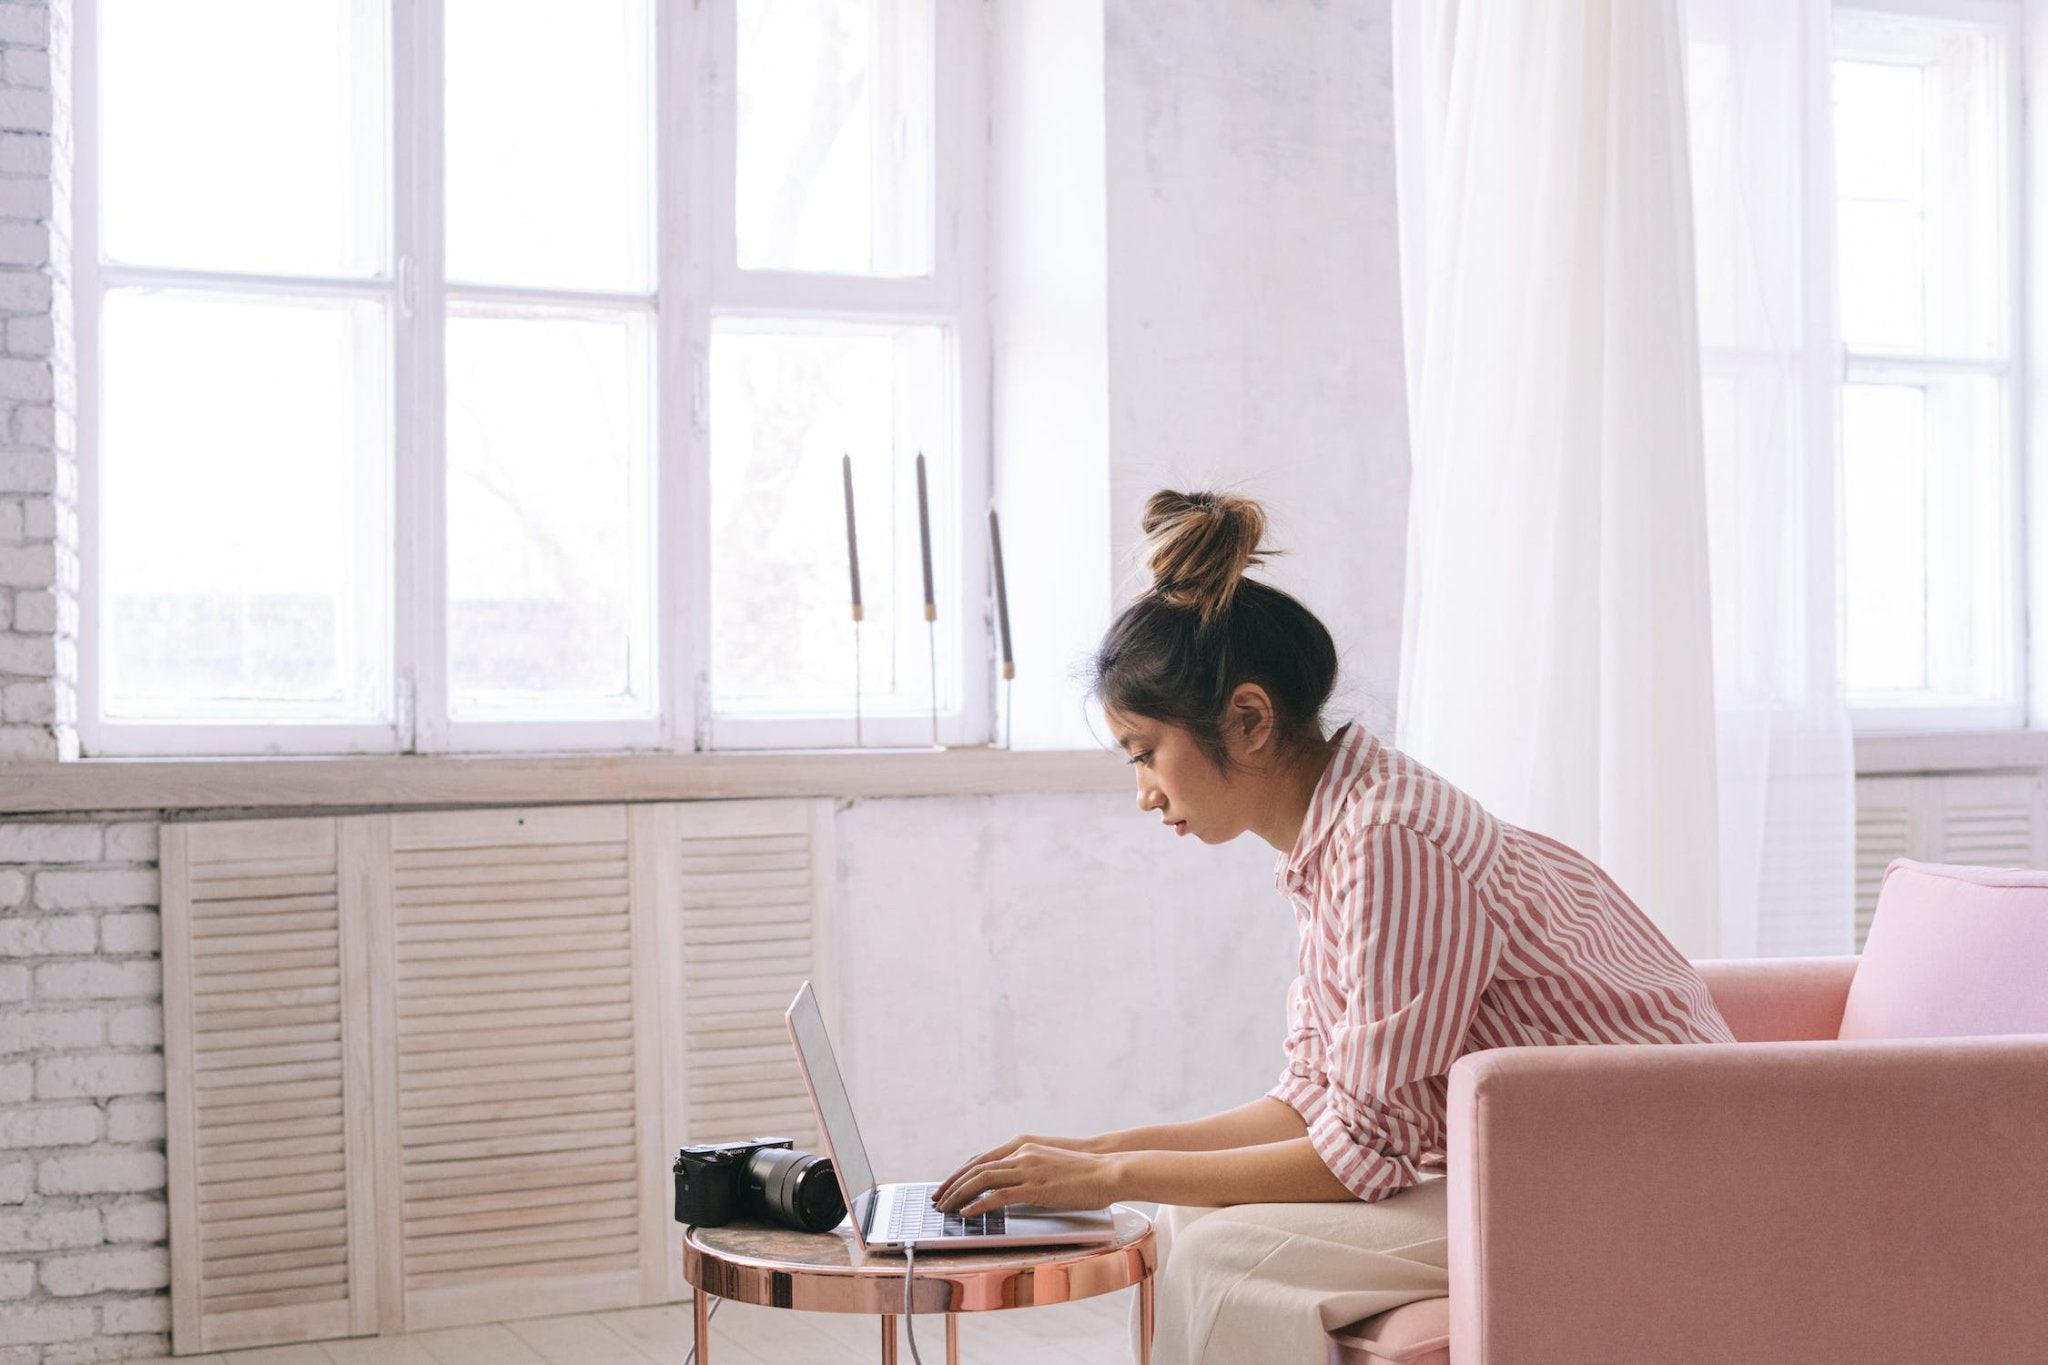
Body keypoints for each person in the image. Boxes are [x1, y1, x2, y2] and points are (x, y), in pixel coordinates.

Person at [933, 490, 1737, 1365]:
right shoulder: (1338, 836)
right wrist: (1089, 1152)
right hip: (1544, 1152)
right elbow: (1313, 1098)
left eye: (1145, 752)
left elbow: (1361, 1153)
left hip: (1639, 1176)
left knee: (1217, 1250)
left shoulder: (1388, 841)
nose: (1144, 792)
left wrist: (1107, 1176)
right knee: (1187, 1215)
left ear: (1247, 718)